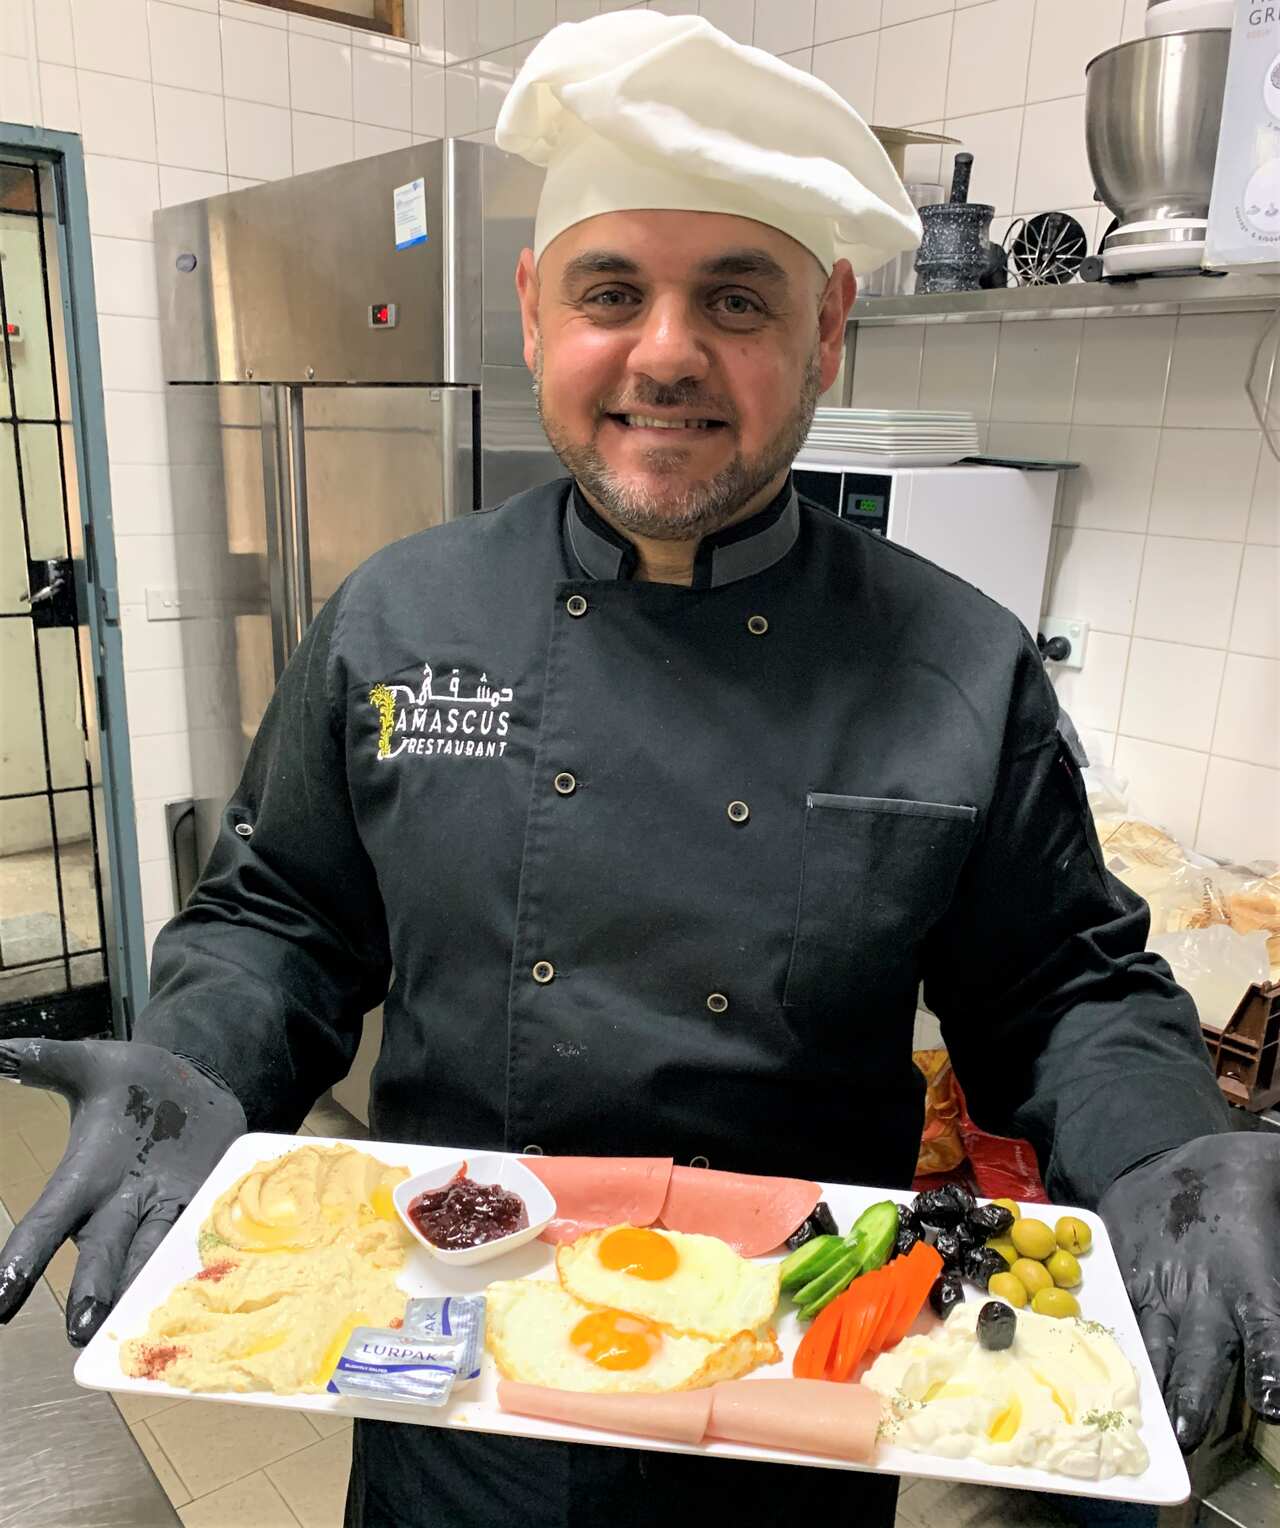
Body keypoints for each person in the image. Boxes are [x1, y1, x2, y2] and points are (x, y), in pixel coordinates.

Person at [1, 13, 1276, 1528]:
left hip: (795, 1406)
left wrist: (1170, 1148)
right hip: (450, 1390)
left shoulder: (956, 664)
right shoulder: (401, 617)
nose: (666, 351)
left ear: (828, 328)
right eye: (613, 291)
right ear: (536, 311)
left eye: (736, 297)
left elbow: (1063, 987)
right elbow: (284, 915)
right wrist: (196, 1061)